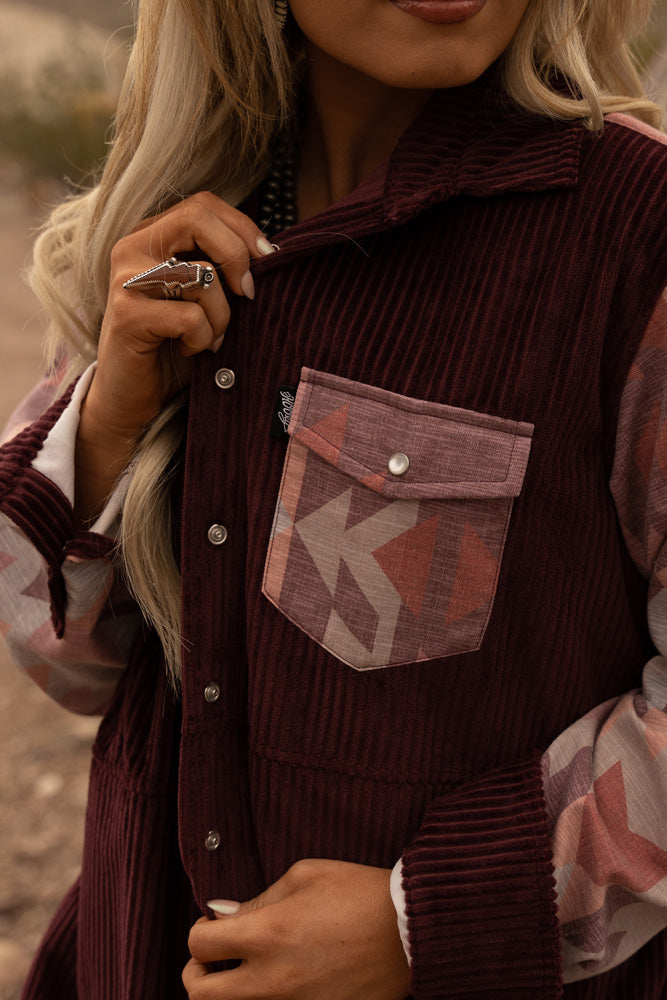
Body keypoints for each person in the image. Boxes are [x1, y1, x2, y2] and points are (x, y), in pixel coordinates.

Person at [1, 0, 667, 995]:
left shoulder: (634, 234)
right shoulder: (180, 223)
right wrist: (107, 419)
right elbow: (73, 666)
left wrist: (424, 918)